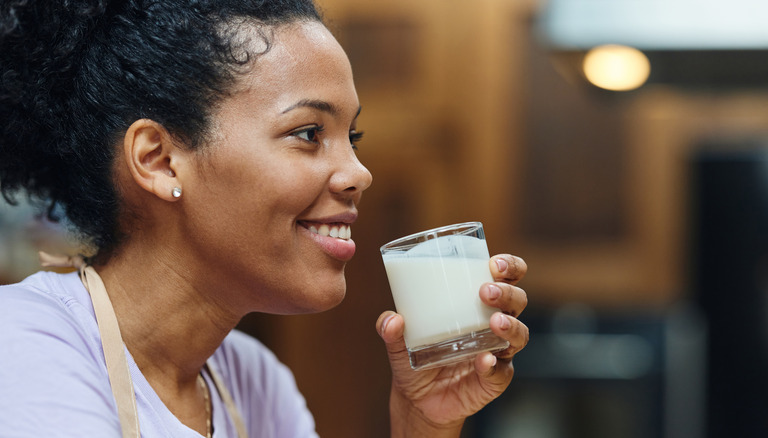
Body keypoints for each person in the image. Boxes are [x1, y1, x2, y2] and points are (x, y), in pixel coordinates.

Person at [0, 0, 530, 436]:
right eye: (308, 133)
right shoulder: (25, 345)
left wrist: (423, 422)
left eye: (353, 138)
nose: (359, 173)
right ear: (159, 160)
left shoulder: (253, 382)